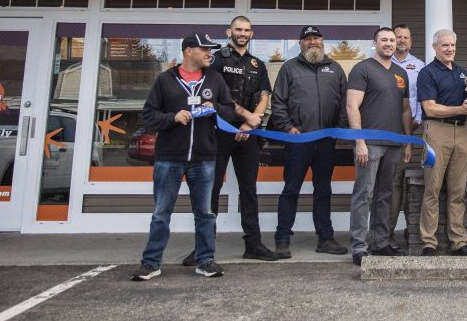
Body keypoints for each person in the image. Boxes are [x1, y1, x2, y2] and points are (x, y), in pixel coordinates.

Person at [131, 33, 238, 281]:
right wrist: (172, 118)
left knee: (205, 212)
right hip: (169, 157)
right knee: (161, 212)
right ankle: (150, 263)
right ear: (189, 51)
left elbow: (230, 112)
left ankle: (205, 260)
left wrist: (216, 109)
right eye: (205, 49)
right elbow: (148, 115)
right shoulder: (165, 80)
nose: (210, 53)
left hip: (204, 157)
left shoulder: (215, 79)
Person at [180, 16, 273, 266]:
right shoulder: (216, 60)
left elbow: (264, 94)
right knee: (212, 190)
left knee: (249, 190)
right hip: (218, 132)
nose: (242, 33)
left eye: (246, 30)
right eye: (238, 30)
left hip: (248, 134)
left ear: (252, 34)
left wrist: (253, 121)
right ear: (229, 32)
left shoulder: (258, 64)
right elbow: (215, 97)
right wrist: (246, 116)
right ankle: (203, 246)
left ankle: (253, 244)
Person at [269, 26, 350, 258]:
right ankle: (282, 238)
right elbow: (278, 102)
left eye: (316, 38)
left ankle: (325, 238)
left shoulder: (335, 69)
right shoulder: (289, 68)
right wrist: (288, 127)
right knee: (290, 189)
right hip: (298, 140)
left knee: (323, 190)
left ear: (322, 41)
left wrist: (339, 128)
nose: (312, 42)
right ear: (300, 43)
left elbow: (344, 102)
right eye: (307, 39)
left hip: (326, 141)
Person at [348, 28, 413, 265]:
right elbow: (351, 106)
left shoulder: (400, 73)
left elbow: (405, 110)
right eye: (384, 40)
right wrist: (359, 141)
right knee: (364, 194)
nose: (389, 44)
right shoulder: (362, 69)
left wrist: (406, 141)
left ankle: (381, 243)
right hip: (370, 144)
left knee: (385, 194)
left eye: (392, 40)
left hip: (395, 143)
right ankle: (359, 246)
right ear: (374, 42)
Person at [416, 28, 467, 256]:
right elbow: (429, 107)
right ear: (435, 48)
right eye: (445, 46)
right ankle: (428, 242)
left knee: (458, 190)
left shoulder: (462, 72)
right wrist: (460, 108)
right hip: (436, 132)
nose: (450, 49)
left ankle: (458, 241)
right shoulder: (427, 73)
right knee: (432, 187)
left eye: (452, 45)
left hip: (461, 132)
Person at [388, 24, 425, 249]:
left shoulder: (419, 66)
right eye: (398, 37)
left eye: (405, 37)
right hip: (382, 129)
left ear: (410, 41)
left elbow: (421, 97)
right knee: (389, 184)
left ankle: (407, 230)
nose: (402, 41)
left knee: (404, 182)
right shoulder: (381, 63)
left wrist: (417, 121)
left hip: (409, 130)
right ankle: (385, 232)